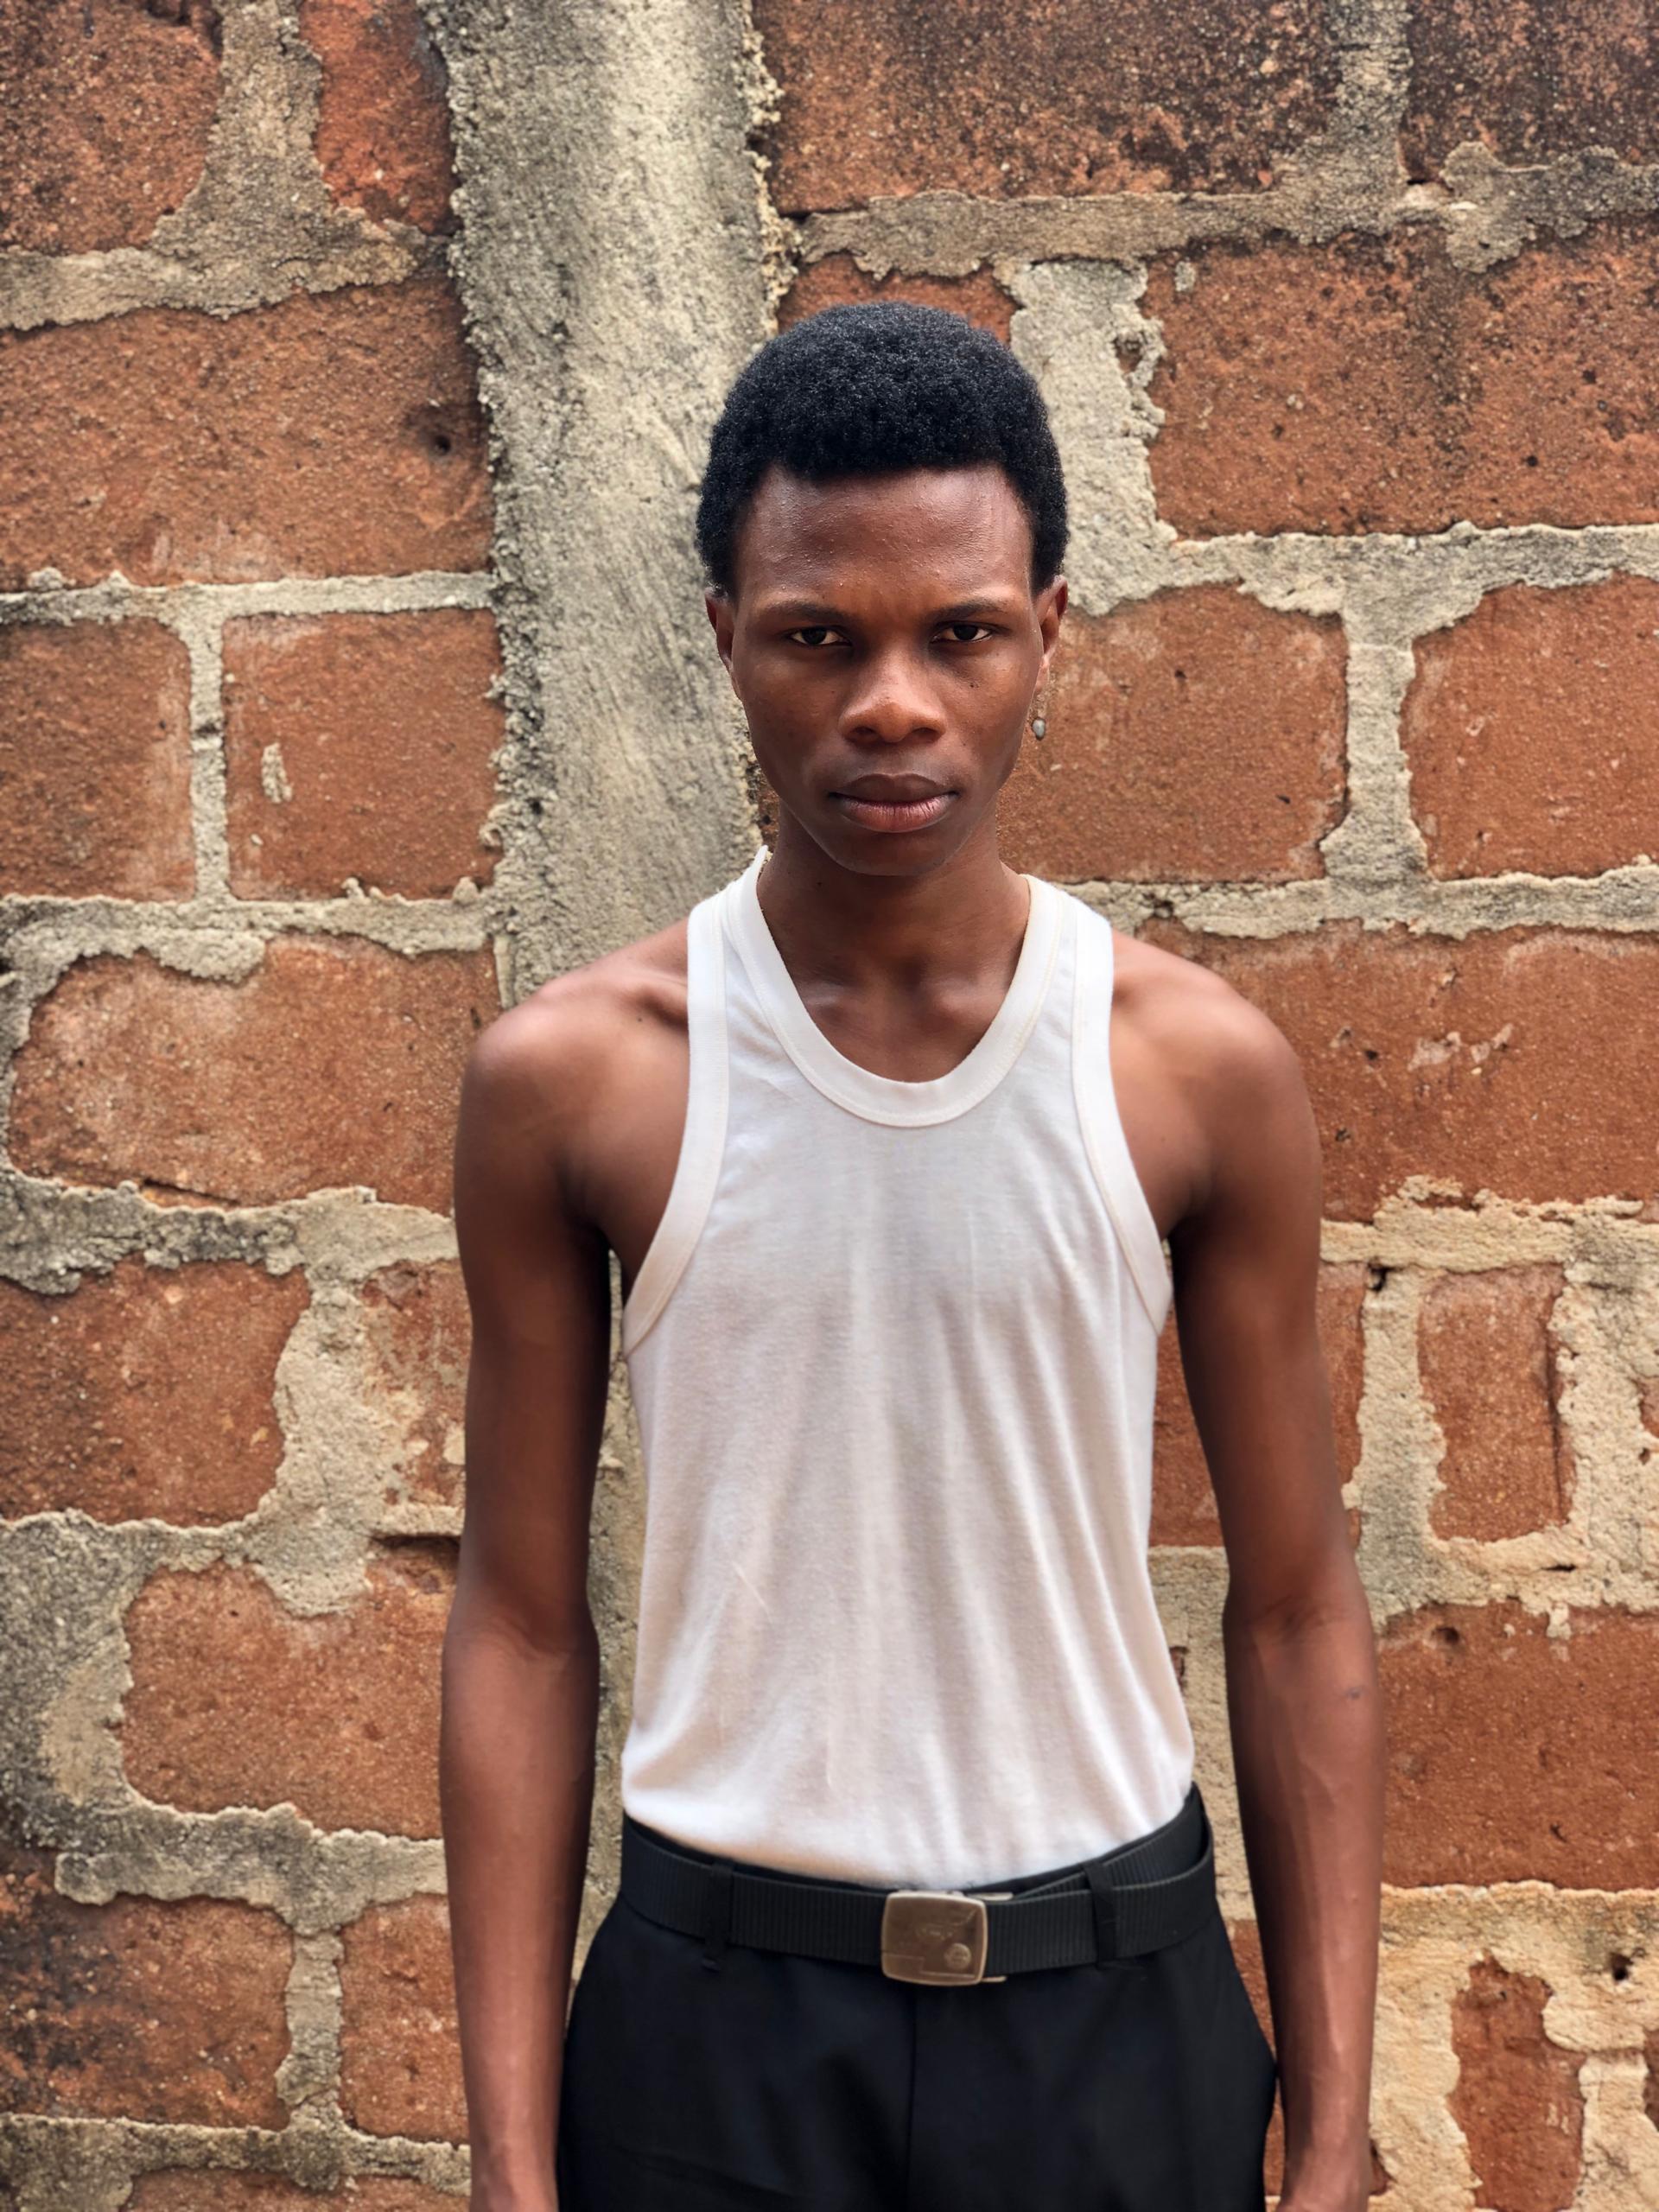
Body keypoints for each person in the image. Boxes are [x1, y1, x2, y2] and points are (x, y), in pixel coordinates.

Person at [441, 300, 1383, 2212]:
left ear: (1048, 633)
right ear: (728, 637)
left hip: (1112, 2008)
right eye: (819, 636)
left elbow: (1297, 1608)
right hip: (715, 2029)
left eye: (959, 632)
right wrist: (511, 2168)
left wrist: (1341, 2128)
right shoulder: (579, 1080)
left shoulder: (1191, 1071)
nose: (891, 701)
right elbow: (523, 1622)